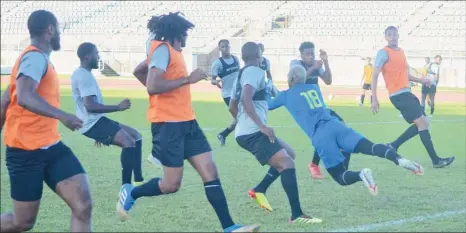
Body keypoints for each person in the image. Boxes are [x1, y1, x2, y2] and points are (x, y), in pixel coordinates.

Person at [122, 12, 260, 232]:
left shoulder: (172, 52)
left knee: (210, 172)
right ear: (178, 33)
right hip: (168, 125)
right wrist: (187, 80)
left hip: (188, 122)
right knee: (171, 185)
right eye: (185, 33)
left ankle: (230, 227)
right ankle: (132, 193)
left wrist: (164, 93)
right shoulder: (162, 50)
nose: (187, 37)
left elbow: (140, 72)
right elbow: (152, 85)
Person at [0, 10, 92, 232]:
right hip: (25, 152)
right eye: (57, 28)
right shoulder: (34, 58)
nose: (59, 32)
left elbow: (5, 100)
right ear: (50, 29)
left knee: (82, 206)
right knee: (22, 222)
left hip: (51, 147)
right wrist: (63, 116)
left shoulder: (33, 59)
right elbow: (23, 96)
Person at [269, 65, 424, 195]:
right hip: (336, 124)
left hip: (320, 135)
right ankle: (399, 159)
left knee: (340, 176)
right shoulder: (314, 87)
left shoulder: (285, 95)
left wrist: (268, 89)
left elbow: (268, 105)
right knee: (371, 147)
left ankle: (361, 174)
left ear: (290, 80)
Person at [229, 41, 322, 225]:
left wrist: (244, 123)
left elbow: (233, 105)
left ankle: (260, 189)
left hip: (246, 131)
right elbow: (246, 97)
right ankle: (297, 214)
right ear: (259, 57)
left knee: (290, 154)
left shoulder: (240, 75)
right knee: (286, 163)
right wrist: (259, 125)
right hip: (253, 132)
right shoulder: (256, 71)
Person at [371, 26, 455, 169]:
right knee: (422, 123)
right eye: (389, 35)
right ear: (386, 37)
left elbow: (405, 75)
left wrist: (422, 80)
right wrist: (374, 98)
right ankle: (436, 160)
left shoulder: (401, 52)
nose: (392, 37)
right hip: (398, 94)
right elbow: (375, 74)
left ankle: (393, 145)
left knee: (423, 123)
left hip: (406, 92)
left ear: (398, 36)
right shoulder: (383, 53)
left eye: (394, 34)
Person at [71, 42, 145, 190]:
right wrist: (118, 107)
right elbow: (90, 106)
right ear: (87, 56)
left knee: (136, 136)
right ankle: (126, 187)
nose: (98, 57)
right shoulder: (84, 76)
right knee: (129, 143)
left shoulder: (82, 74)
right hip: (92, 123)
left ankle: (138, 180)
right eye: (96, 54)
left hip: (96, 122)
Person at [290, 41, 346, 179]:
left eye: (312, 54)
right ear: (301, 55)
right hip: (304, 108)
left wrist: (326, 62)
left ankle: (319, 163)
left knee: (340, 123)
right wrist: (313, 67)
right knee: (323, 133)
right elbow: (296, 82)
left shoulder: (316, 65)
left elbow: (328, 81)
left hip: (318, 106)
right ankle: (315, 164)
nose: (310, 56)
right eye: (307, 54)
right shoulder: (296, 65)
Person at [211, 39, 240, 146]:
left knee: (239, 118)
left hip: (239, 93)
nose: (226, 48)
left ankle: (223, 135)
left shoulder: (236, 59)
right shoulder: (218, 63)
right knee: (241, 117)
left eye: (227, 46)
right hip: (228, 95)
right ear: (220, 48)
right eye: (223, 47)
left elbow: (239, 75)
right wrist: (216, 82)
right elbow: (212, 80)